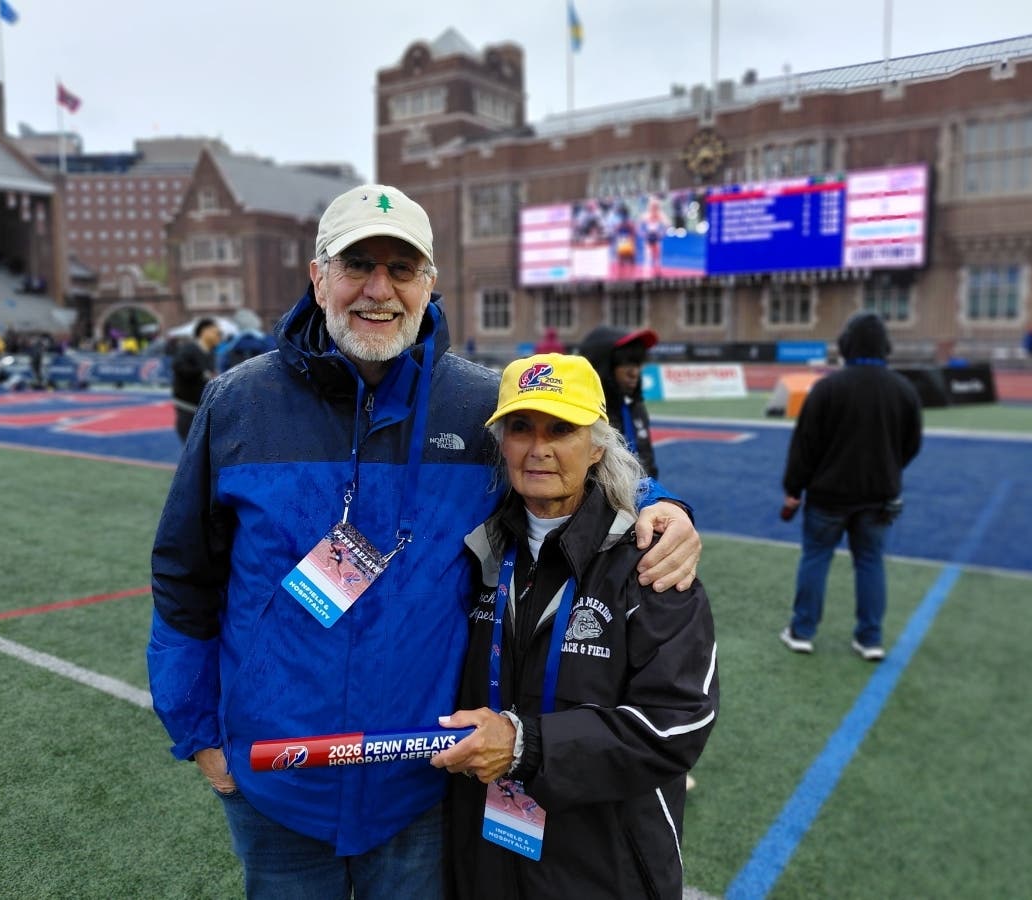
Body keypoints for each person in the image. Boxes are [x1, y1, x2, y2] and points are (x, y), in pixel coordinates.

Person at [148, 184, 703, 899]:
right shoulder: (239, 404)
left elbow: (580, 471)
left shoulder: (479, 405)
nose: (379, 290)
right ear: (319, 278)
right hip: (279, 786)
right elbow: (185, 577)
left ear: (430, 285)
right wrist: (198, 734)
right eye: (357, 265)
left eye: (402, 269)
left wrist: (668, 508)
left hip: (418, 790)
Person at [432, 353, 718, 899]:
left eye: (561, 428)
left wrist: (526, 746)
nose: (538, 448)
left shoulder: (649, 560)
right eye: (521, 427)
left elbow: (677, 722)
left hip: (604, 867)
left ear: (598, 446)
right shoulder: (476, 553)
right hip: (487, 858)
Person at [780, 312, 922, 661]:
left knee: (816, 557)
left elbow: (805, 445)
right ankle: (870, 638)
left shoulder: (828, 388)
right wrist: (889, 470)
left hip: (828, 497)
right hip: (879, 497)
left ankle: (802, 631)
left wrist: (793, 489)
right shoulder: (903, 390)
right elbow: (912, 444)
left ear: (847, 345)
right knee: (870, 562)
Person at [578, 326, 660, 478]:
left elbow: (647, 461)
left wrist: (654, 496)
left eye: (637, 363)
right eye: (626, 363)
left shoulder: (634, 407)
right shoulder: (585, 415)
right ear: (601, 364)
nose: (634, 372)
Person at [170, 318, 222, 442]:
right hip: (187, 406)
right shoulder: (189, 349)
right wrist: (201, 373)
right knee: (190, 445)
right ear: (205, 331)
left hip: (202, 406)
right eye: (217, 333)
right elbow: (178, 366)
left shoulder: (210, 352)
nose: (219, 337)